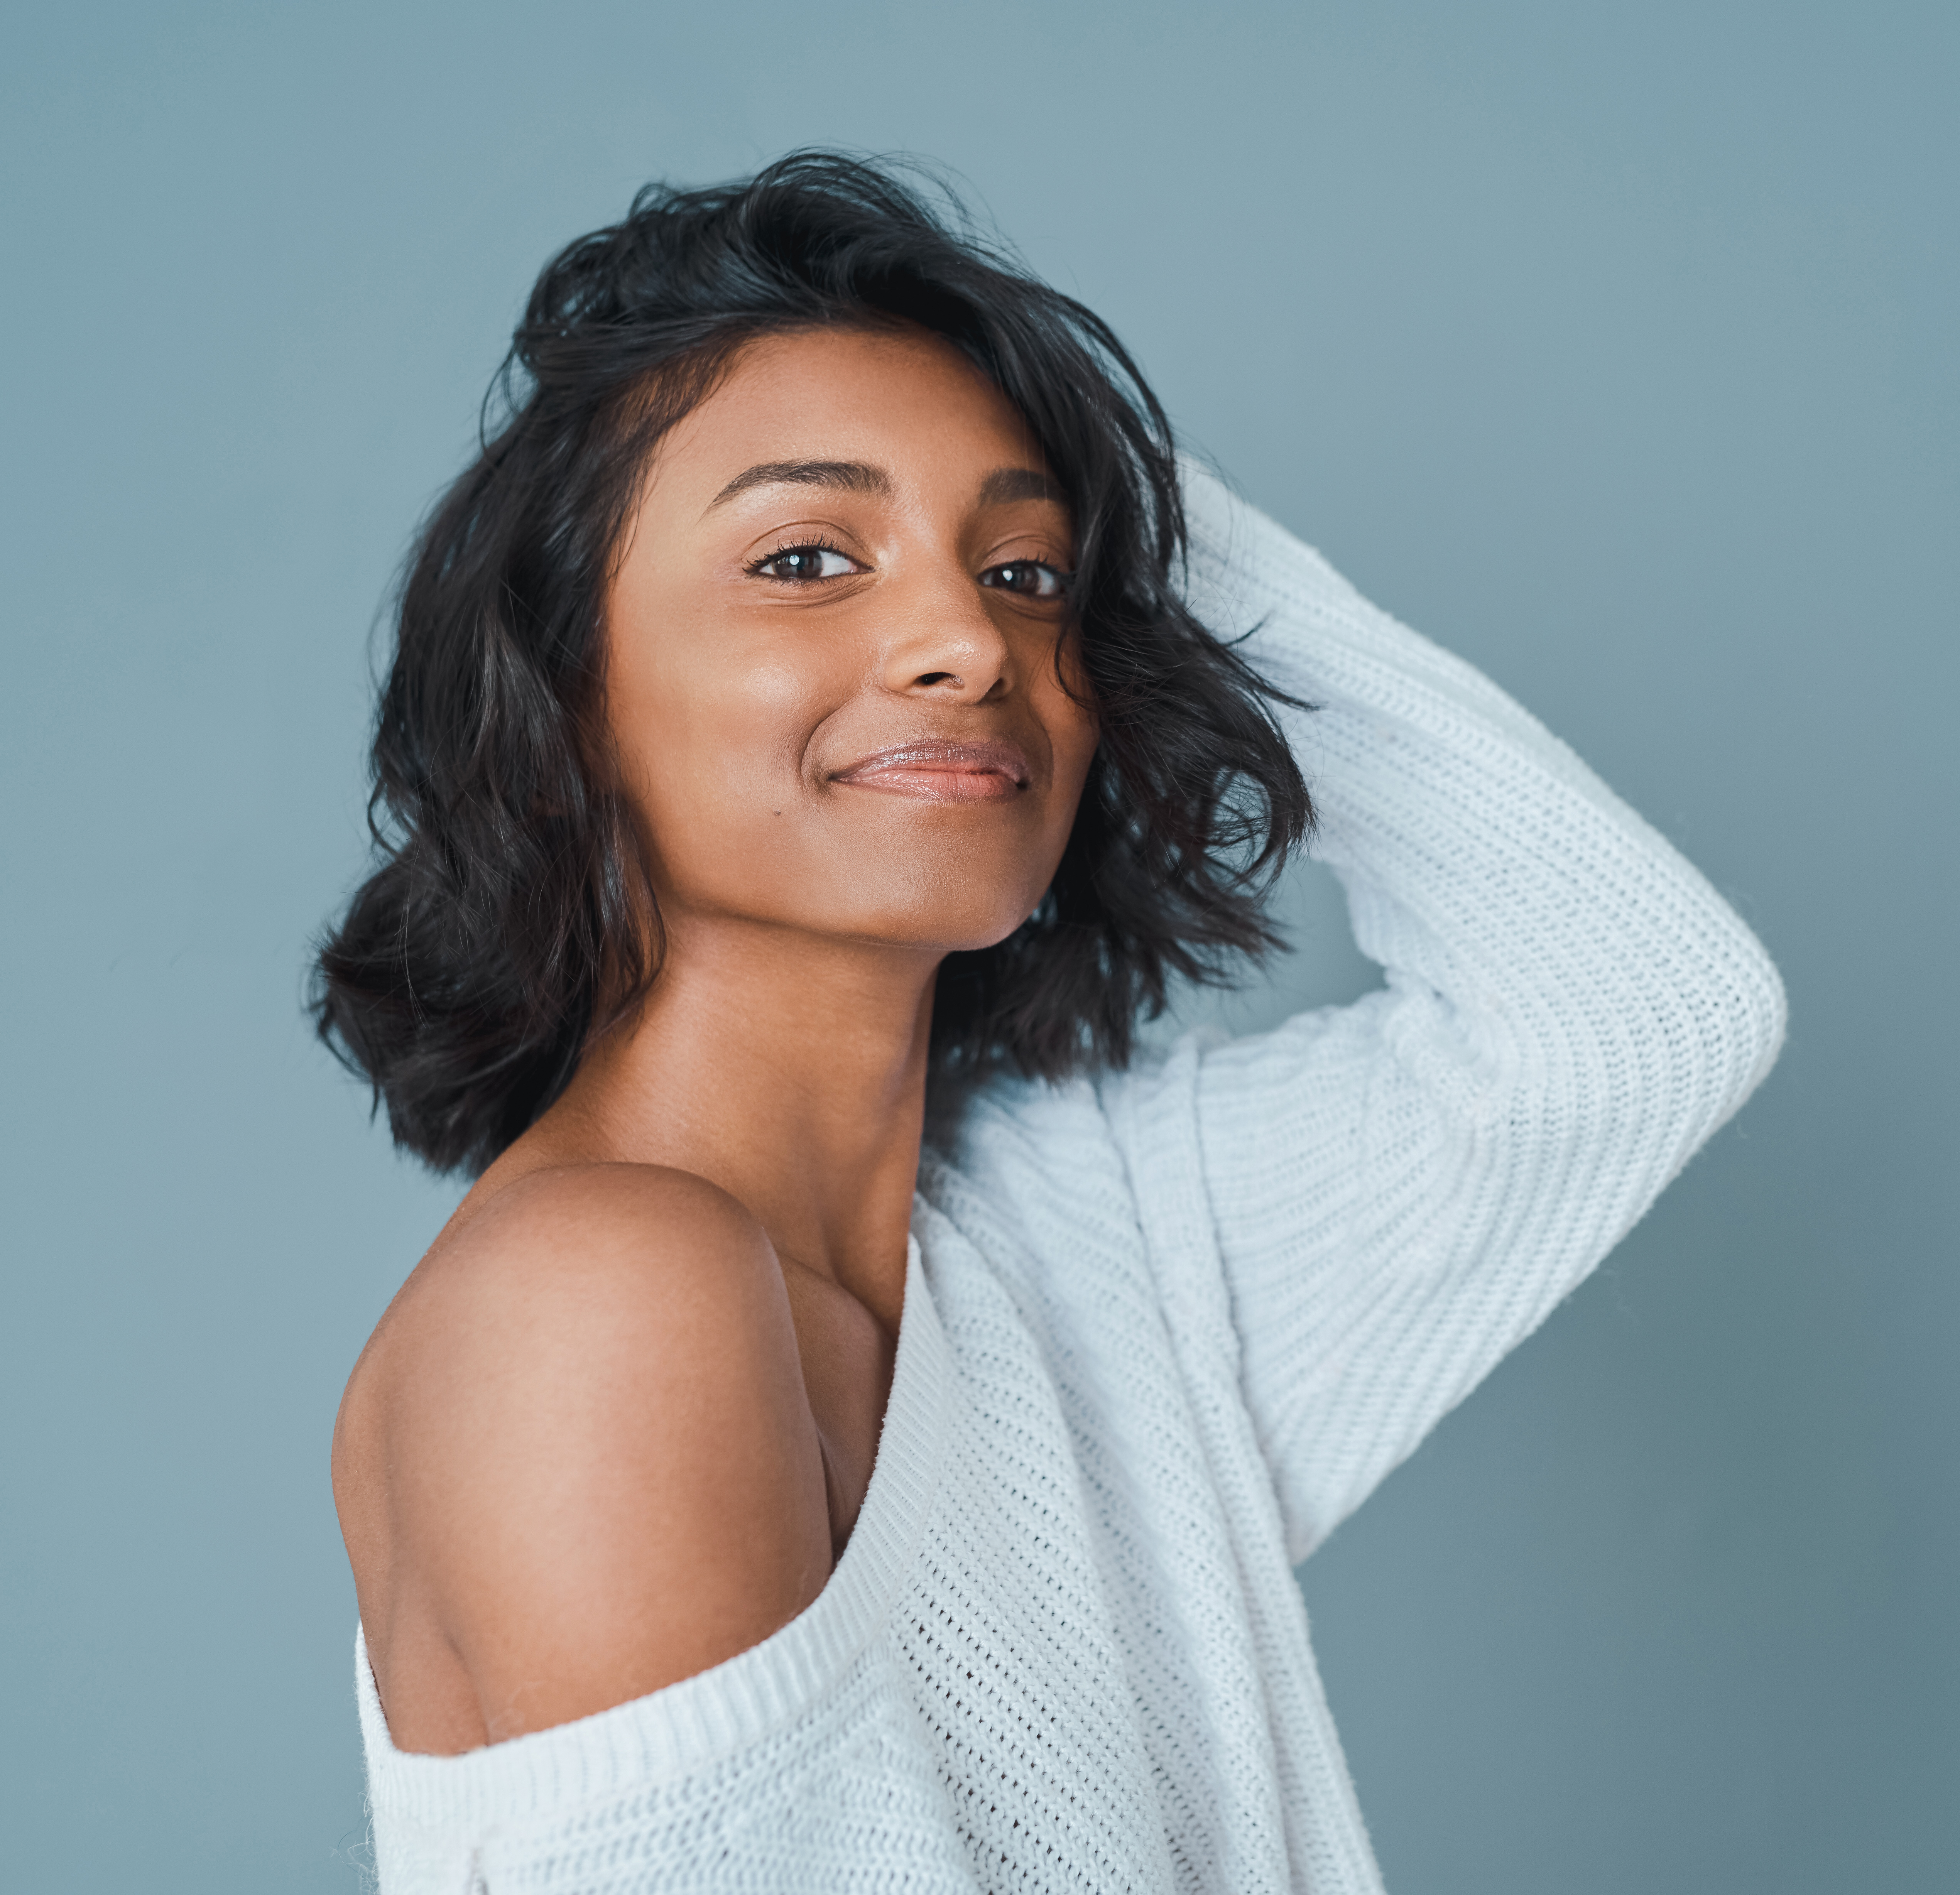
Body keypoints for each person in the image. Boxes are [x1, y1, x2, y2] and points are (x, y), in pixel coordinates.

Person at [314, 152, 1784, 1894]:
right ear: (562, 701)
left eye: (1028, 575)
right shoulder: (599, 1297)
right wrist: (1049, 456)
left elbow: (1638, 1016)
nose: (963, 638)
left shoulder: (1088, 1248)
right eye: (803, 557)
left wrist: (1113, 478)